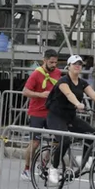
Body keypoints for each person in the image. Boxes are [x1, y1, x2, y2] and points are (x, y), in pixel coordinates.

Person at [45, 55, 95, 184]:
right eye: (75, 64)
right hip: (56, 116)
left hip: (70, 117)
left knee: (93, 135)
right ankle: (53, 168)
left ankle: (84, 162)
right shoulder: (63, 81)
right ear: (69, 67)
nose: (78, 66)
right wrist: (77, 104)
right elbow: (68, 94)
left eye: (80, 64)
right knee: (65, 139)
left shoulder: (82, 83)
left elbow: (93, 94)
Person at [21, 49, 62, 181]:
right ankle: (26, 169)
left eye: (55, 62)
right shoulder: (36, 74)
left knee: (57, 141)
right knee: (35, 143)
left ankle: (43, 164)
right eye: (51, 62)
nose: (54, 65)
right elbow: (25, 91)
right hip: (37, 112)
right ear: (44, 60)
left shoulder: (57, 73)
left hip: (52, 113)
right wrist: (40, 95)